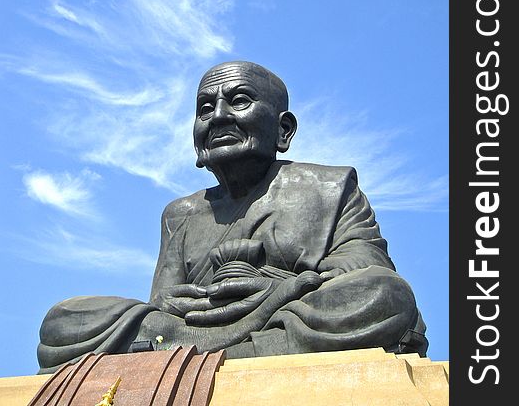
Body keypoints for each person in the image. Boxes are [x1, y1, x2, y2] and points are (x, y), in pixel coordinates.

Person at [37, 61, 427, 374]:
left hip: (283, 317)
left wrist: (272, 286)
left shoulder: (330, 186)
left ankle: (218, 358)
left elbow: (364, 266)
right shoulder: (181, 213)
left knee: (384, 294)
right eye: (205, 108)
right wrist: (185, 307)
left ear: (283, 129)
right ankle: (229, 355)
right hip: (188, 330)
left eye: (238, 101)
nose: (218, 116)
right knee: (64, 320)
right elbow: (161, 306)